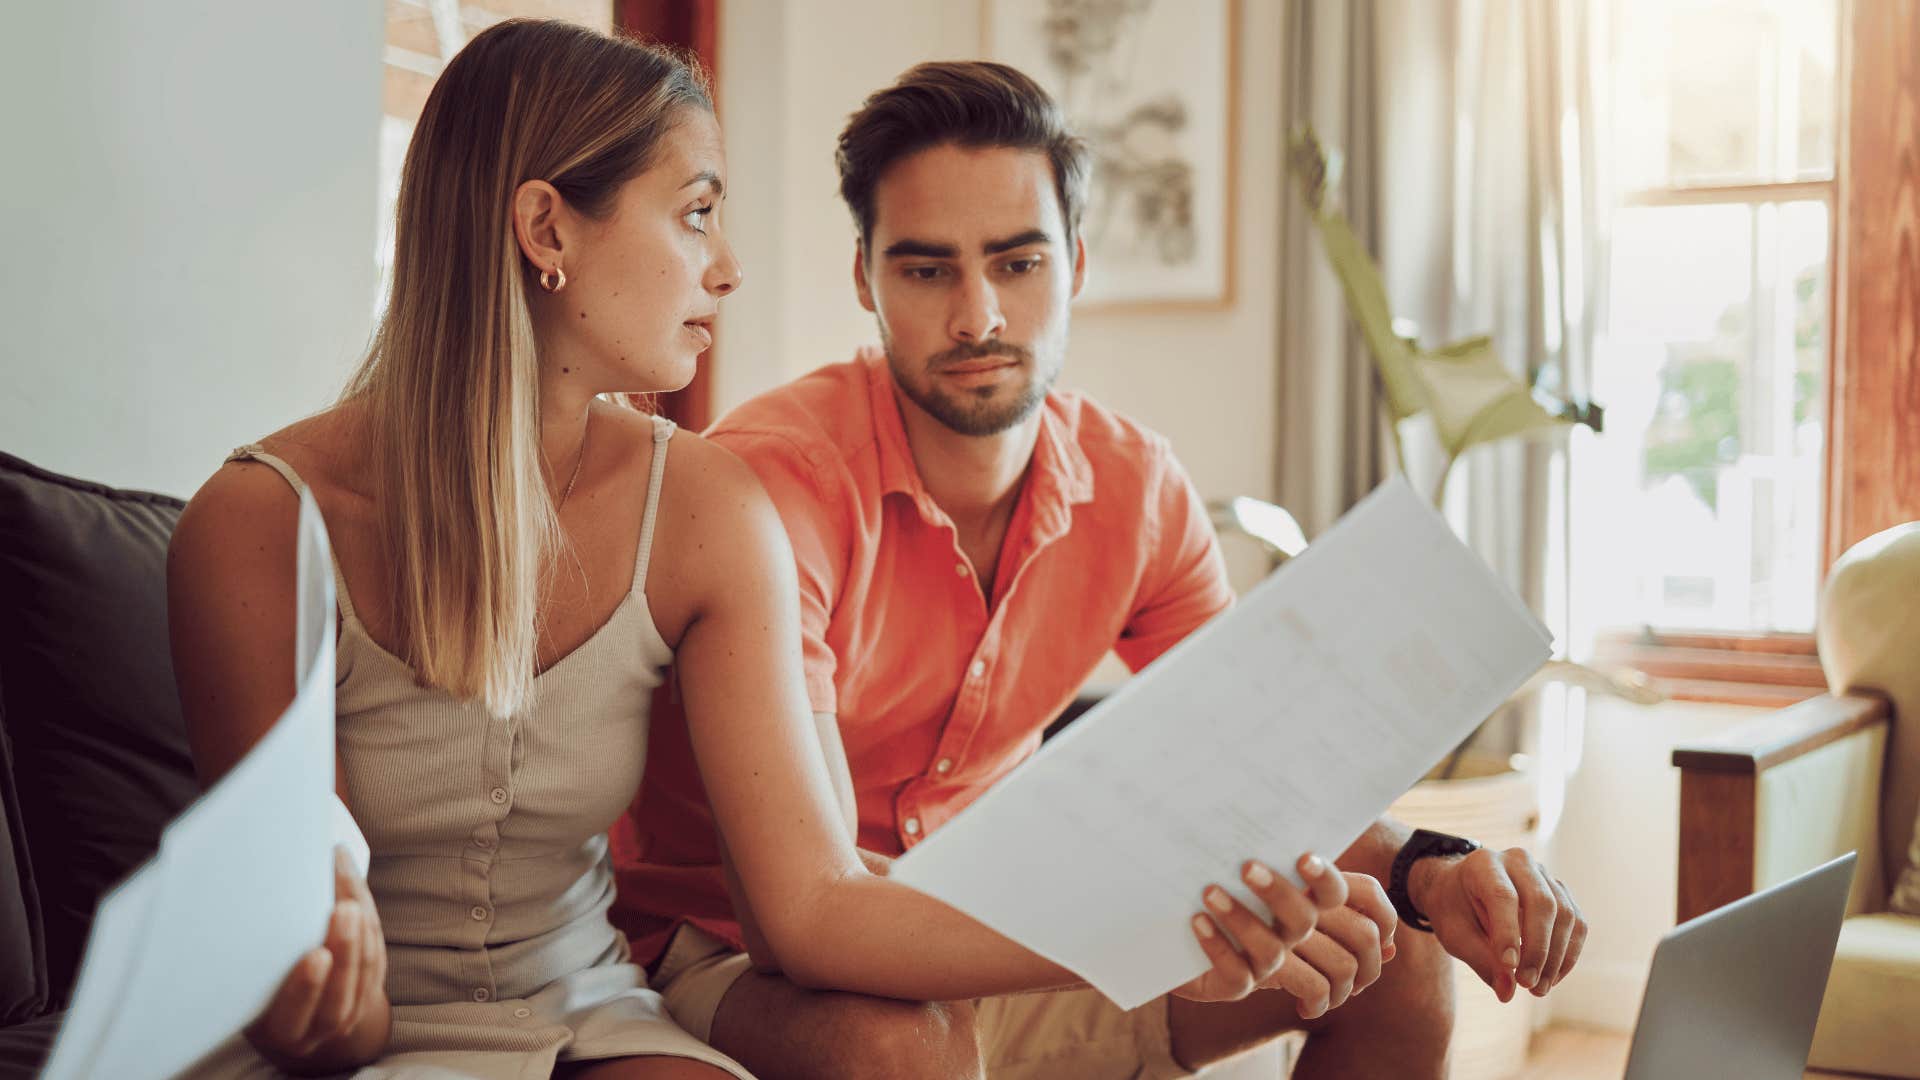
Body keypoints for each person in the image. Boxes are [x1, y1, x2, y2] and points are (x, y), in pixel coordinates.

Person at [168, 22, 1341, 1080]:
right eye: (695, 214)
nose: (727, 268)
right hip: (407, 1034)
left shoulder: (703, 508)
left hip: (587, 1008)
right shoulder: (260, 524)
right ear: (545, 230)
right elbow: (301, 991)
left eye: (1019, 262)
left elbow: (813, 906)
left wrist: (1168, 913)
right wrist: (322, 1009)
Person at [612, 61, 1591, 1080]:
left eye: (1017, 262)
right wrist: (1142, 936)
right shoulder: (774, 484)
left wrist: (1432, 870)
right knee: (900, 1047)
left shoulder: (1136, 489)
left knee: (1398, 964)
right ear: (865, 277)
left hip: (991, 940)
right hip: (728, 949)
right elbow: (802, 922)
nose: (979, 315)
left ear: (1074, 264)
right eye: (926, 268)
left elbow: (1257, 767)